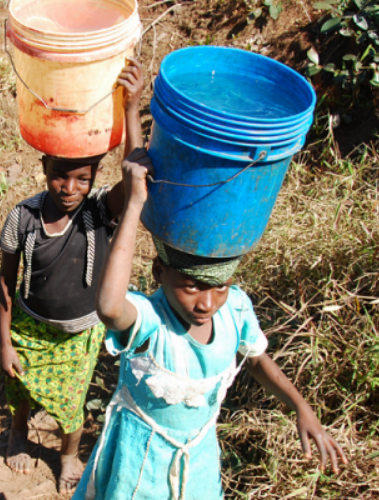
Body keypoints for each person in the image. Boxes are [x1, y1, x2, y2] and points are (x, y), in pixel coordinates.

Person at [72, 148, 348, 500]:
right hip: (139, 466)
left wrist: (300, 406)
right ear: (160, 273)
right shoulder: (152, 321)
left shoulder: (235, 310)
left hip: (198, 462)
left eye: (220, 287)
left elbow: (257, 360)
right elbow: (110, 307)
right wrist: (134, 204)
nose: (206, 303)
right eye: (191, 286)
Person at [0, 58, 144, 495]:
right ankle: (18, 431)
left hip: (80, 334)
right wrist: (5, 340)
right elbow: (6, 281)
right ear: (44, 166)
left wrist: (132, 109)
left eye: (83, 177)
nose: (70, 187)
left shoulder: (99, 210)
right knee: (18, 383)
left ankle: (67, 454)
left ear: (95, 175)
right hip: (28, 325)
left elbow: (137, 182)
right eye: (61, 174)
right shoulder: (22, 217)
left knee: (71, 407)